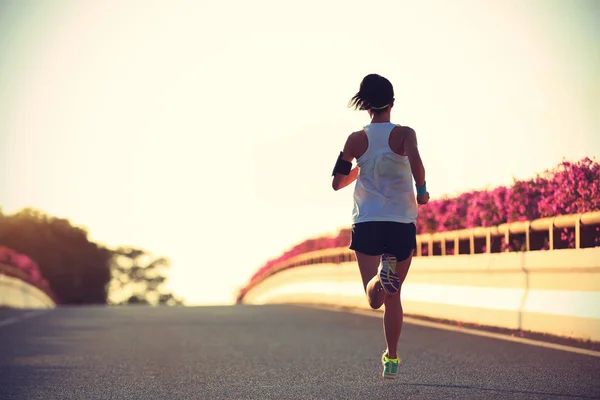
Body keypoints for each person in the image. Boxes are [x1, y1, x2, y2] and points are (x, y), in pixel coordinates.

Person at [331, 73, 429, 379]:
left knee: (374, 298)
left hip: (368, 221)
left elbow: (336, 182)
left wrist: (361, 168)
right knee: (394, 296)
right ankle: (392, 357)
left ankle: (377, 276)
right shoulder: (405, 134)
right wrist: (422, 189)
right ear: (393, 102)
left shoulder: (354, 140)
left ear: (366, 105)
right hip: (401, 222)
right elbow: (417, 163)